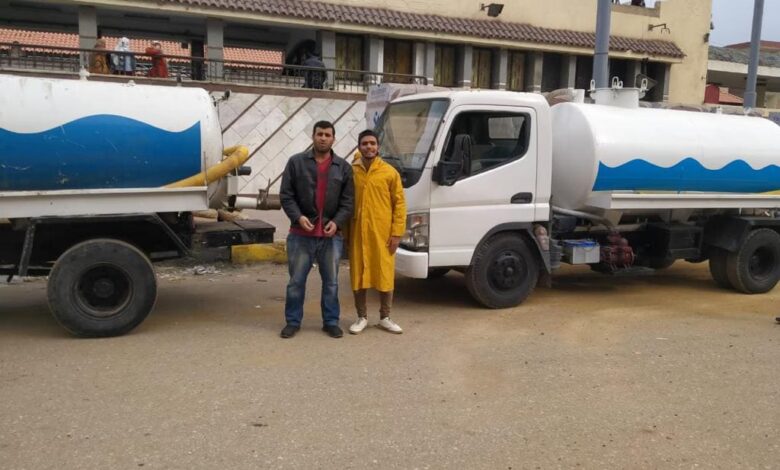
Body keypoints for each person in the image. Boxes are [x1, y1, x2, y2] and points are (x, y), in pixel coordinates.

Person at [279, 121, 354, 339]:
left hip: (331, 236)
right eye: (319, 134)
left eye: (327, 135)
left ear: (333, 139)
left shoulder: (343, 167)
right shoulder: (296, 162)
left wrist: (337, 222)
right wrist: (298, 217)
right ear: (313, 136)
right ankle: (292, 322)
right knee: (296, 282)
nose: (323, 138)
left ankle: (330, 322)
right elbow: (286, 195)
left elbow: (348, 202)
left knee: (331, 283)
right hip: (301, 235)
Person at [347, 130, 407, 335]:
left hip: (382, 235)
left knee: (384, 274)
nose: (369, 147)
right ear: (359, 146)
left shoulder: (389, 172)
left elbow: (399, 205)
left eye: (372, 143)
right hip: (357, 233)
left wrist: (397, 233)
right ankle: (361, 317)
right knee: (358, 275)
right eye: (364, 143)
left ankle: (385, 317)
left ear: (378, 147)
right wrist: (345, 233)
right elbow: (345, 202)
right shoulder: (351, 172)